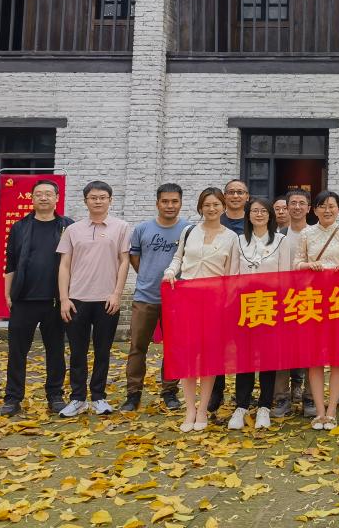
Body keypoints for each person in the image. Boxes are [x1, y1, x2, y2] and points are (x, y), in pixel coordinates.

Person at [163, 187, 240, 432]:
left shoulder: (231, 237)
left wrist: (227, 305)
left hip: (215, 302)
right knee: (188, 356)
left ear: (223, 207)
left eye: (216, 204)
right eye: (207, 205)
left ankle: (203, 409)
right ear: (200, 207)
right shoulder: (189, 231)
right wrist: (170, 272)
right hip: (187, 298)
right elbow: (178, 258)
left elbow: (232, 274)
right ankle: (189, 409)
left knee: (209, 358)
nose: (211, 209)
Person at [56, 180, 132, 417]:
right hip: (77, 298)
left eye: (102, 197)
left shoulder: (121, 227)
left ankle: (99, 397)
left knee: (102, 351)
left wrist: (117, 293)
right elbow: (64, 265)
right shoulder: (73, 229)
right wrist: (64, 298)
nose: (98, 201)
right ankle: (77, 398)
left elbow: (124, 262)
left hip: (107, 299)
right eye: (93, 197)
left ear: (110, 200)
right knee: (77, 352)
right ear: (85, 201)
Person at [0, 179, 74, 416]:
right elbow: (11, 261)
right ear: (31, 198)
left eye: (48, 194)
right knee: (17, 351)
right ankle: (12, 398)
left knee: (56, 351)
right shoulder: (20, 227)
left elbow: (74, 263)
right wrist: (8, 293)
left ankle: (55, 396)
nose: (43, 197)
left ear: (57, 198)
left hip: (55, 301)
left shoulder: (67, 226)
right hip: (23, 299)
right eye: (39, 194)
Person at [121, 183, 191, 412]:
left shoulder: (188, 229)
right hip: (145, 297)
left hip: (176, 299)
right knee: (137, 347)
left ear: (181, 203)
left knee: (173, 348)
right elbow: (135, 257)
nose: (170, 205)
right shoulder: (142, 229)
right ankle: (133, 394)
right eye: (165, 201)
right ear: (157, 203)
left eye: (174, 201)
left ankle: (170, 392)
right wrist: (147, 276)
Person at [295, 190, 339, 430]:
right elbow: (296, 263)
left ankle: (332, 411)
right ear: (315, 210)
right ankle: (319, 411)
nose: (327, 210)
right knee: (316, 357)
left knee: (338, 356)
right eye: (322, 206)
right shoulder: (306, 233)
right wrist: (308, 265)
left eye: (331, 206)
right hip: (313, 300)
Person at [229, 197, 293, 431]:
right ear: (248, 215)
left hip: (270, 306)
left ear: (270, 215)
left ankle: (265, 406)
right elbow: (233, 276)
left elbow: (285, 278)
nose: (259, 214)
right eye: (254, 211)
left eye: (263, 211)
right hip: (245, 307)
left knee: (267, 358)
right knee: (244, 358)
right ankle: (242, 406)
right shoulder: (239, 241)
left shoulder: (281, 241)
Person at [209, 179, 250, 412]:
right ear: (225, 196)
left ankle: (242, 397)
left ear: (247, 196)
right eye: (231, 192)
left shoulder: (253, 221)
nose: (235, 196)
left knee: (244, 348)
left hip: (246, 295)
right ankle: (216, 393)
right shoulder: (216, 220)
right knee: (217, 346)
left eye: (240, 192)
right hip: (217, 296)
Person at [271, 188, 312, 418]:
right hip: (282, 300)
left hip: (310, 299)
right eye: (292, 203)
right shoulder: (278, 237)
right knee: (281, 350)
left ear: (309, 208)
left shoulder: (315, 234)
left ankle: (309, 397)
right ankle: (281, 398)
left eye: (301, 203)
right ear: (286, 208)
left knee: (310, 349)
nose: (297, 207)